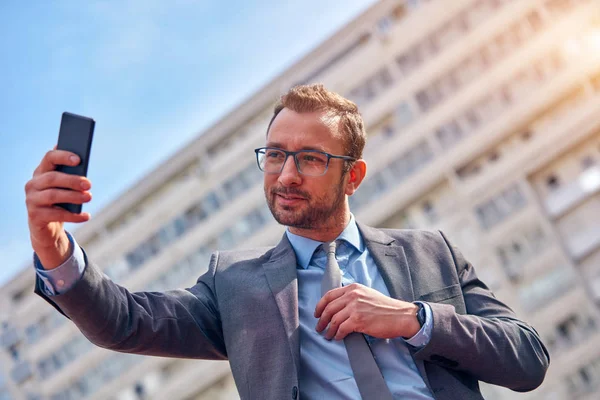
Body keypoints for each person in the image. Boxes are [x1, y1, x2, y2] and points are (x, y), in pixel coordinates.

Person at [25, 84, 549, 400]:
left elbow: (527, 359)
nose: (286, 175)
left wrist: (415, 320)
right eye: (275, 155)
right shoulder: (235, 284)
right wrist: (53, 245)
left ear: (354, 175)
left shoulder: (429, 251)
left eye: (311, 158)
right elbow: (124, 321)